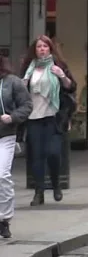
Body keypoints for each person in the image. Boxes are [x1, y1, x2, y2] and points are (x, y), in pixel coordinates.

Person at [20, 35, 77, 206]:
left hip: (54, 117)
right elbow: (19, 92)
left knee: (53, 153)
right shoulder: (28, 69)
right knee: (37, 156)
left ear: (50, 49)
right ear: (34, 50)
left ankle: (55, 184)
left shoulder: (58, 66)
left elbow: (71, 87)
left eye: (45, 46)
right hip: (33, 118)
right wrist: (23, 83)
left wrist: (62, 77)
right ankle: (39, 193)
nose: (42, 49)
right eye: (39, 47)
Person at [0, 55, 32, 238]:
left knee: (2, 175)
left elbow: (27, 105)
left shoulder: (12, 82)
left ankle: (4, 219)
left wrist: (12, 117)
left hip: (6, 135)